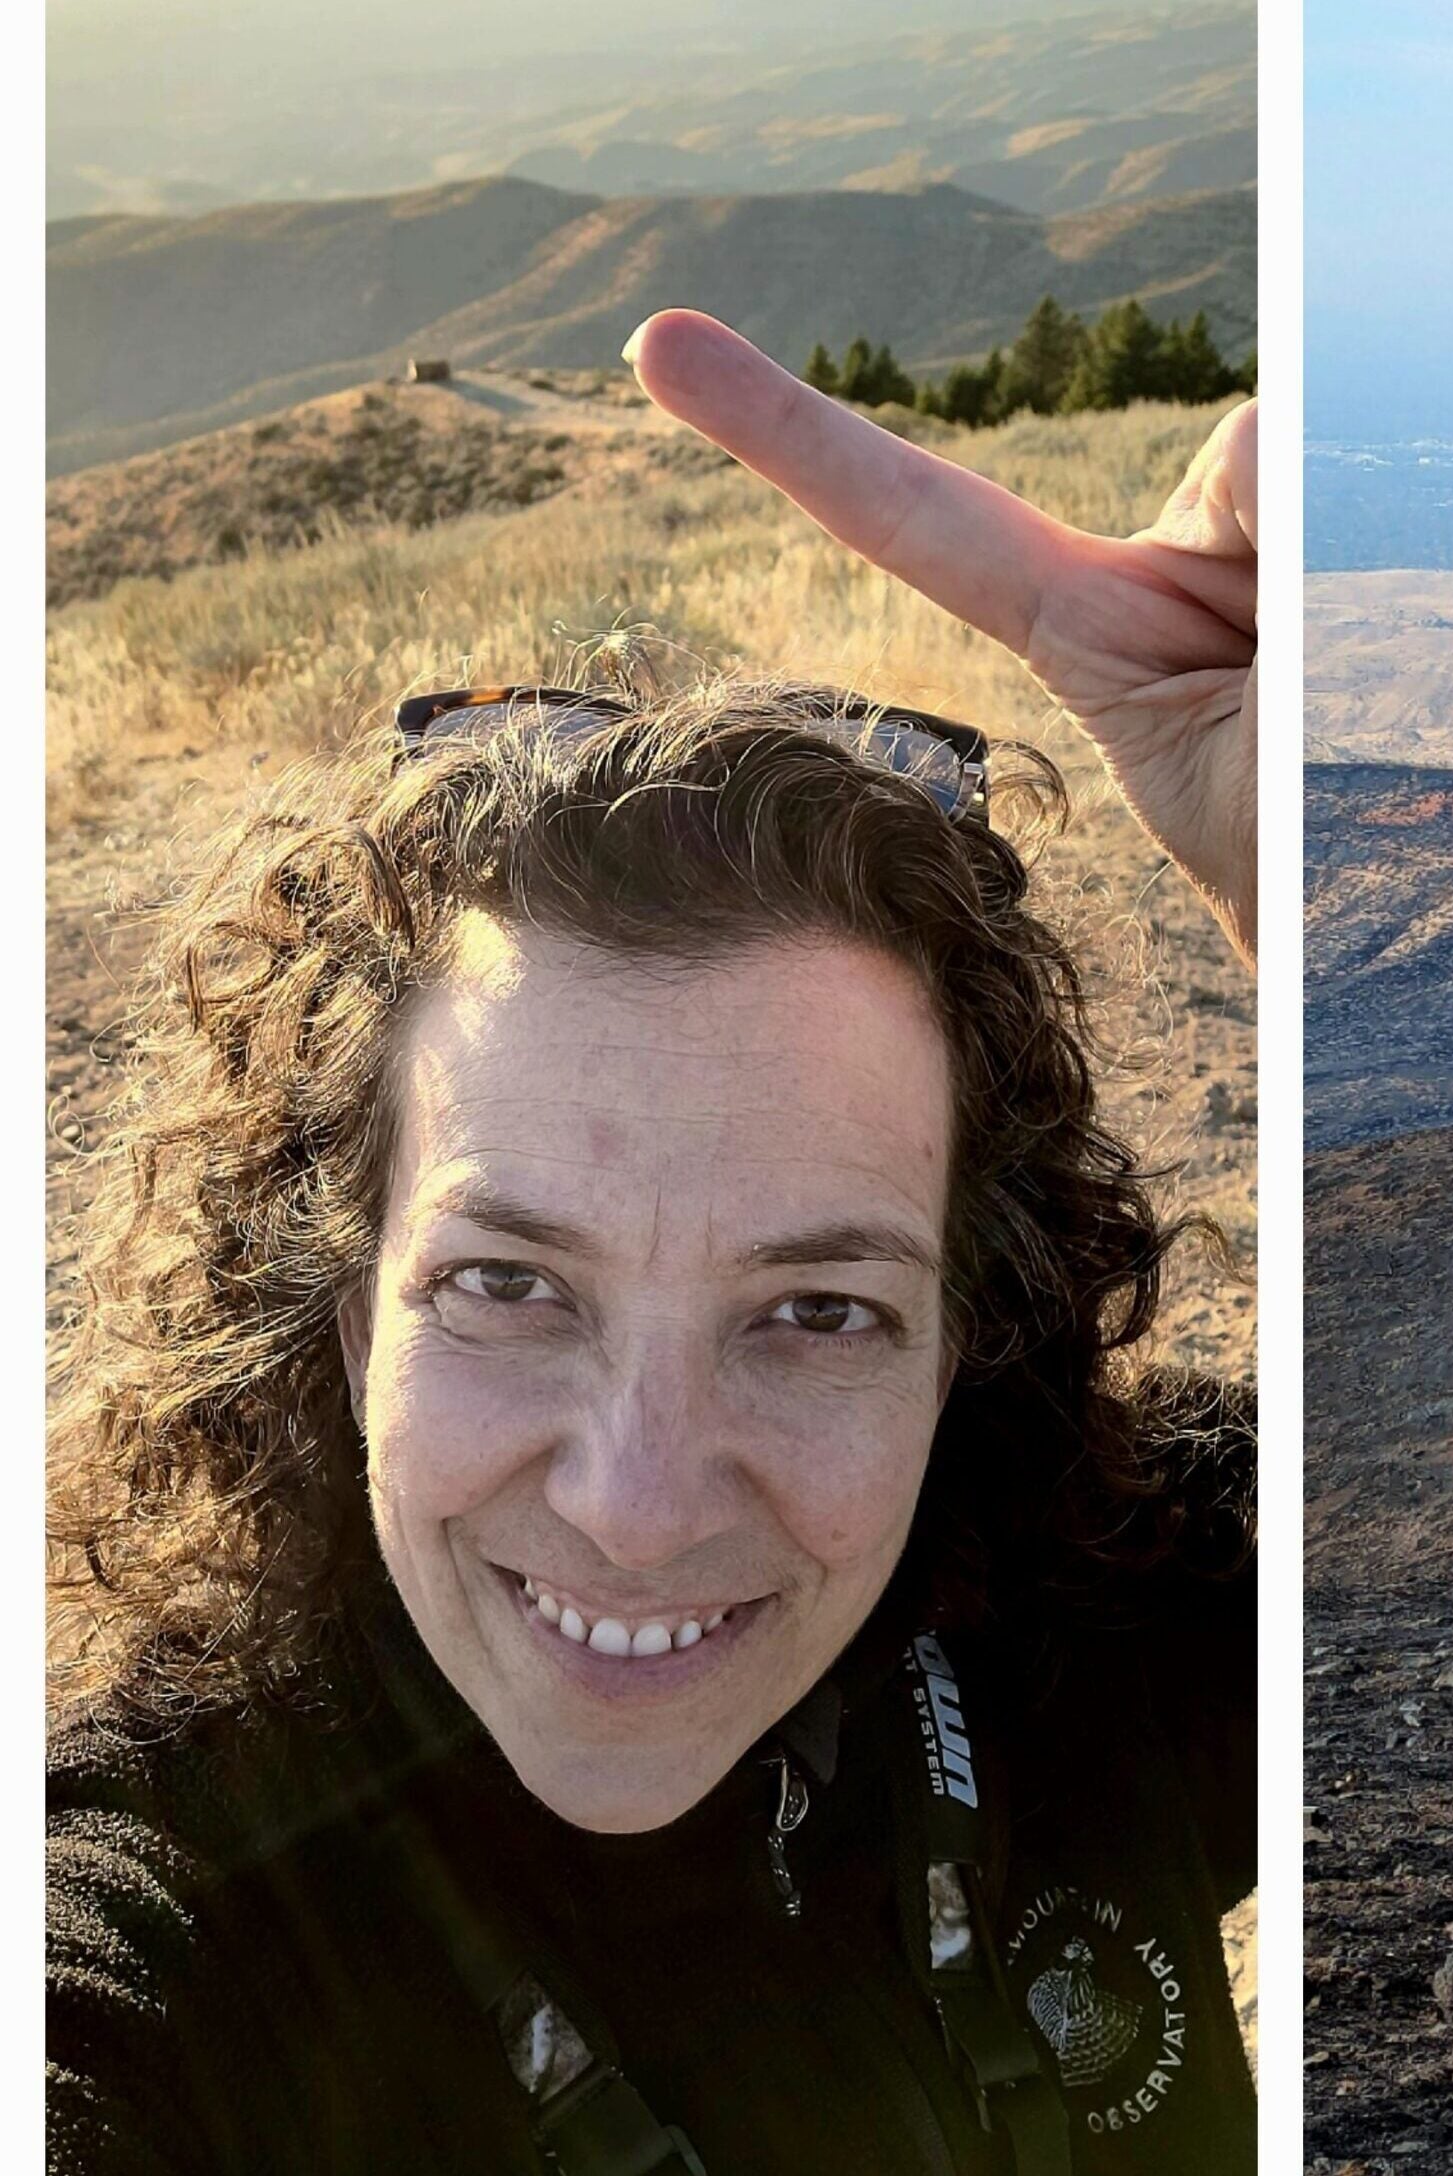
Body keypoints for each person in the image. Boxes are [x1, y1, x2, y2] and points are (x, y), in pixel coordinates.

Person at [46, 312, 1258, 2175]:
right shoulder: (160, 1950)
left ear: (967, 1342)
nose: (636, 1500)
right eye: (507, 1285)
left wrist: (1298, 870)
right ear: (346, 1314)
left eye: (820, 1312)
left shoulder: (1107, 1618)